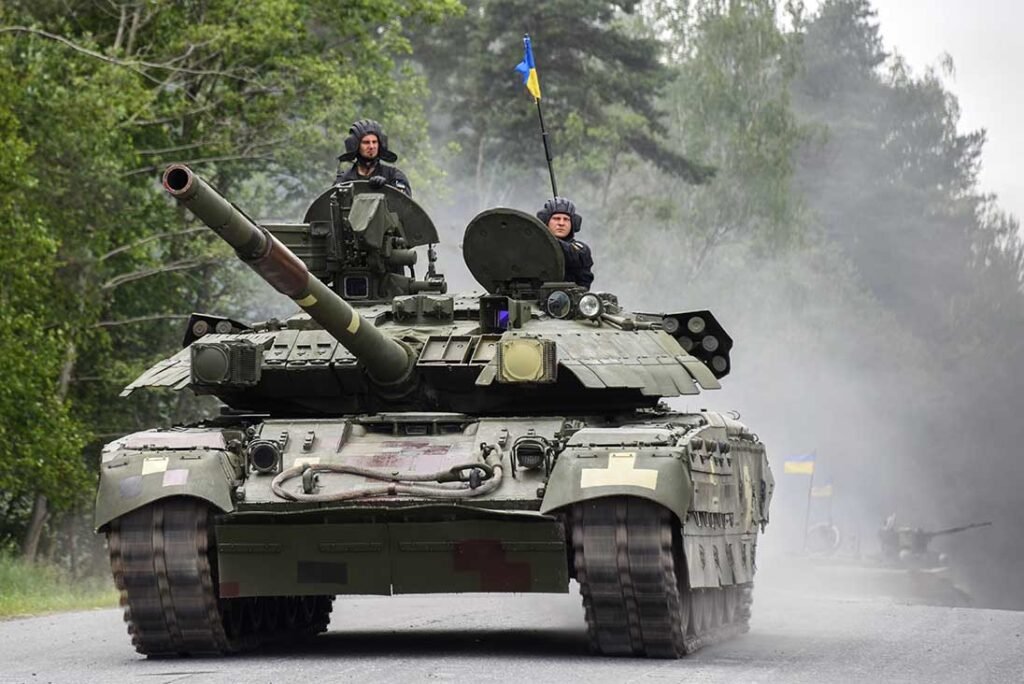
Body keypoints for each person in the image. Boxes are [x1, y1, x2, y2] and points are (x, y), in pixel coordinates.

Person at [334, 119, 412, 197]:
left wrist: (388, 188)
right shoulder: (344, 181)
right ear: (356, 146)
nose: (371, 146)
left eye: (374, 142)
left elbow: (404, 203)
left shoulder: (393, 176)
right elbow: (329, 205)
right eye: (366, 142)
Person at [536, 196, 594, 289]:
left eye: (566, 219)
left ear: (573, 223)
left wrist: (545, 238)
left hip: (569, 298)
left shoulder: (580, 249)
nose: (561, 223)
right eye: (556, 218)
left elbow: (574, 256)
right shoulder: (533, 245)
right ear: (546, 221)